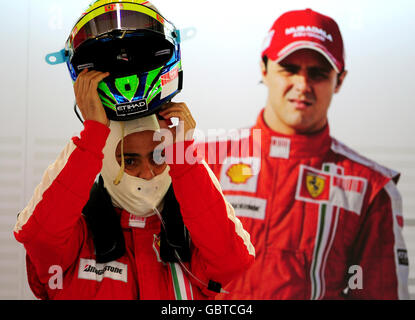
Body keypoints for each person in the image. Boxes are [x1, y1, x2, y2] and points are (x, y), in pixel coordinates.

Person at [13, 0, 254, 300]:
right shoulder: (78, 237)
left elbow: (235, 264)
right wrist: (92, 137)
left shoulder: (195, 241)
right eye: (129, 159)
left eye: (160, 155)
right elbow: (39, 237)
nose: (148, 172)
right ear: (105, 161)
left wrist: (185, 156)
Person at [203, 8, 409, 299]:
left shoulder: (371, 188)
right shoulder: (201, 162)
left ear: (339, 80)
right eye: (289, 69)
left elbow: (376, 291)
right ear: (264, 68)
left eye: (318, 73)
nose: (302, 85)